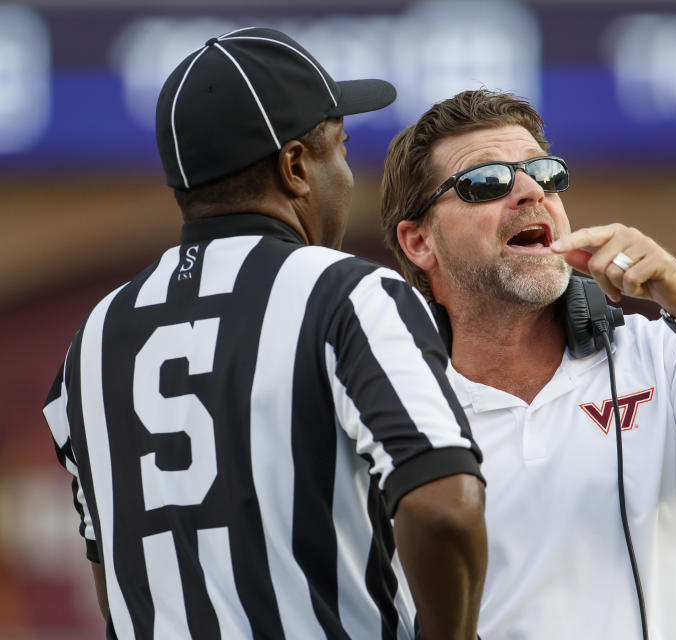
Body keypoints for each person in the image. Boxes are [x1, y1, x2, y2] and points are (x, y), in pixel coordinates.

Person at [41, 28, 487, 640]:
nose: (348, 174)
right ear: (296, 166)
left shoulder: (89, 341)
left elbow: (112, 578)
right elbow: (445, 506)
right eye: (340, 149)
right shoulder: (348, 294)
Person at [379, 89, 676, 639]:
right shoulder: (390, 409)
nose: (528, 191)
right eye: (487, 182)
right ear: (419, 242)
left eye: (544, 172)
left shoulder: (660, 351)